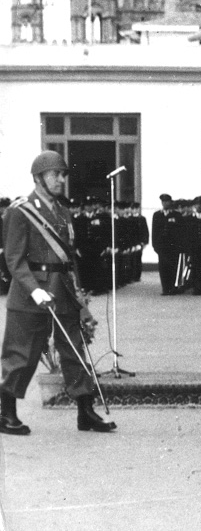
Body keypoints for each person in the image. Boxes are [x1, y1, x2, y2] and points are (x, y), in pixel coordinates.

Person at [0, 150, 115, 435]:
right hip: (32, 292)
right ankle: (6, 412)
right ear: (38, 178)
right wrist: (34, 290)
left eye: (63, 174)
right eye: (56, 174)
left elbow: (68, 259)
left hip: (62, 290)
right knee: (21, 354)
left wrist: (80, 297)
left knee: (75, 350)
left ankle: (86, 412)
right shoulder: (20, 210)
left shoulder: (63, 211)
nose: (61, 179)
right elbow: (13, 259)